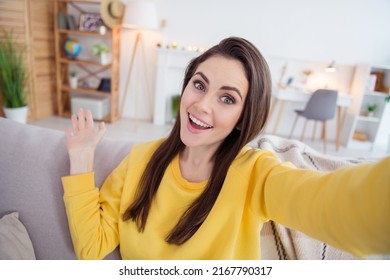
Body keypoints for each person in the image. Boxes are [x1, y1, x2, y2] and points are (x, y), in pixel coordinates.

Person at [62, 37, 390, 260]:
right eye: (199, 84)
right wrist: (81, 156)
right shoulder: (141, 159)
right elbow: (91, 247)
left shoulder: (256, 173)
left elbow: (336, 206)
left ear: (242, 118)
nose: (202, 105)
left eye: (227, 98)